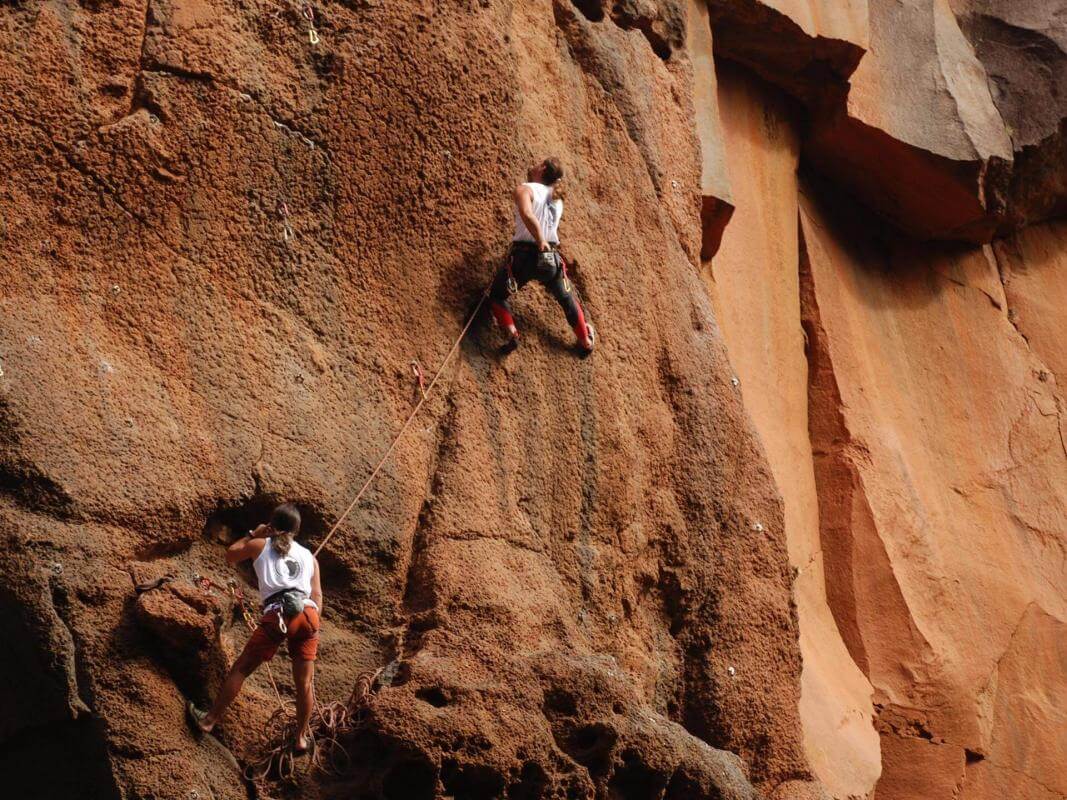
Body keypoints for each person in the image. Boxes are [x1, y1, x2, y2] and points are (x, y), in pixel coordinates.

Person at [187, 503, 323, 754]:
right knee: (305, 683)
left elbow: (231, 554)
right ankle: (301, 739)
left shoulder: (260, 545)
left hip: (278, 612)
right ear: (296, 530)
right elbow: (317, 594)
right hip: (308, 614)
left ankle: (208, 720)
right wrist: (312, 627)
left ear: (272, 524)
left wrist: (254, 533)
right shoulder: (309, 558)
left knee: (242, 668)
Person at [488, 157, 595, 353]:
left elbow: (528, 214)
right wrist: (545, 244)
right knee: (567, 299)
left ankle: (512, 332)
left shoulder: (525, 189)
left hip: (525, 257)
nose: (533, 166)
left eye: (538, 164)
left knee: (496, 295)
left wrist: (540, 240)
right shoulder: (557, 198)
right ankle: (585, 341)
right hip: (550, 261)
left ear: (543, 168)